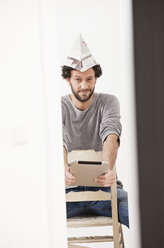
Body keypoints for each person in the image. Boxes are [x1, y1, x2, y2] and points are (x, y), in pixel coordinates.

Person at [61, 34, 129, 228]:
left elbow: (111, 134)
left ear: (96, 79)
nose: (84, 86)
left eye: (89, 79)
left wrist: (108, 169)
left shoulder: (108, 102)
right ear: (68, 80)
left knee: (141, 215)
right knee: (38, 215)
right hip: (67, 193)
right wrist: (62, 168)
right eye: (78, 79)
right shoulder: (60, 106)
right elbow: (60, 139)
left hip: (105, 191)